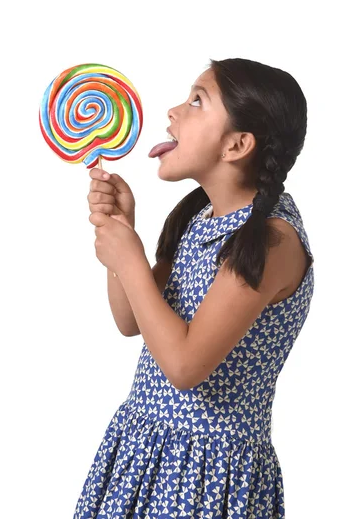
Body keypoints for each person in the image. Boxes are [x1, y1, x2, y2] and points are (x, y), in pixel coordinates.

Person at [73, 57, 315, 518]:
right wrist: (124, 231)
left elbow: (184, 366)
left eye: (197, 101)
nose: (173, 112)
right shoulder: (198, 218)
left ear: (237, 144)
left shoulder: (270, 241)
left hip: (205, 476)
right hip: (144, 451)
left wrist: (127, 257)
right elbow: (131, 321)